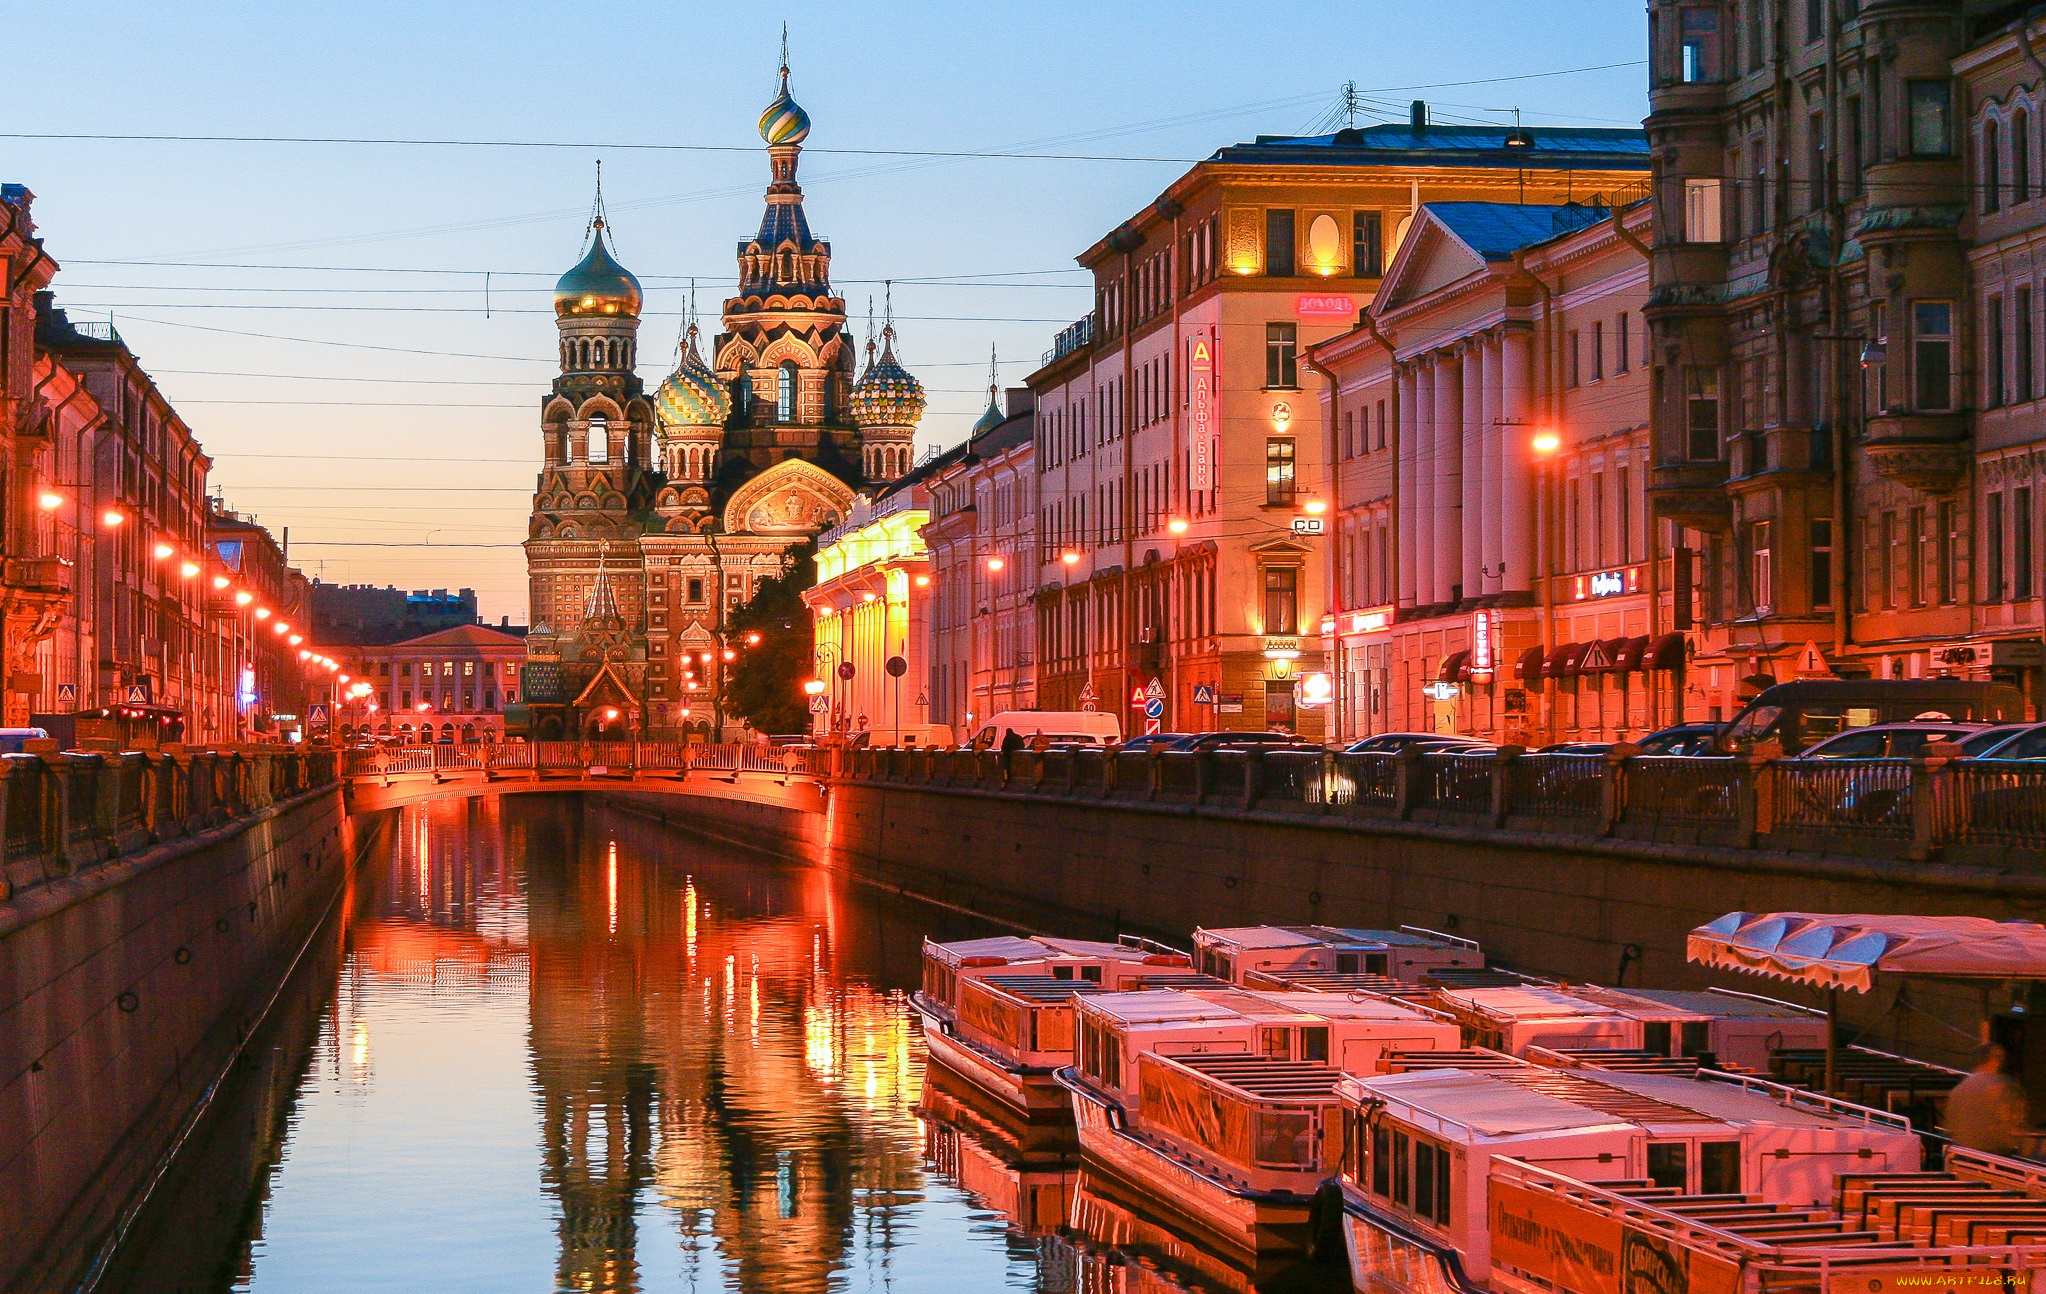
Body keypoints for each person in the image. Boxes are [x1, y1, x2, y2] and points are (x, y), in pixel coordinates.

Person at [1946, 1043, 2027, 1154]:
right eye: (1999, 1057)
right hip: (1997, 1153)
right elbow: (2010, 1119)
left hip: (1966, 1152)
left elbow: (1951, 1125)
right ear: (1994, 1059)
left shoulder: (1959, 1089)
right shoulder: (2002, 1086)